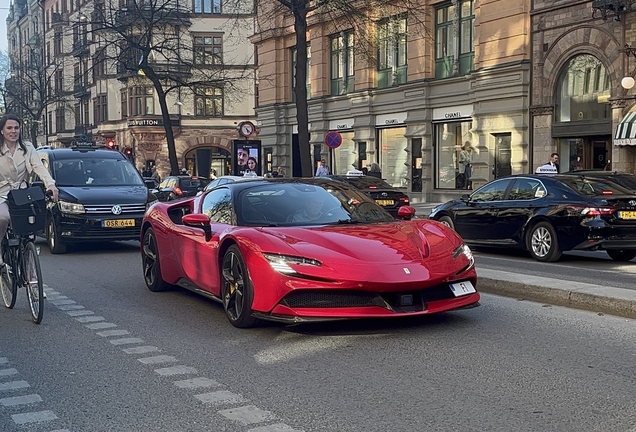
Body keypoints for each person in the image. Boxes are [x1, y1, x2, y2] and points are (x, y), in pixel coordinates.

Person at [0, 114, 59, 259]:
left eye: (16, 128)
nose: (13, 131)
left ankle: (26, 255)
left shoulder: (27, 147)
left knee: (30, 221)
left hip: (22, 194)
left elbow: (39, 167)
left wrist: (50, 184)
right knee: (3, 217)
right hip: (2, 193)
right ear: (2, 131)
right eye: (9, 128)